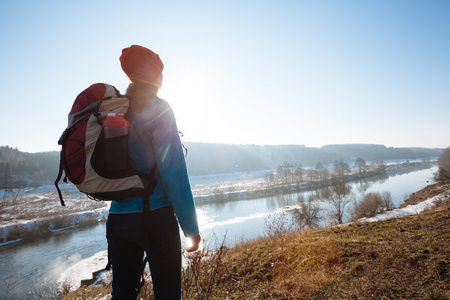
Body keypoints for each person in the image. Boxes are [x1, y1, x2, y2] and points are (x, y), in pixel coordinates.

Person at [106, 45, 201, 299]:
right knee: (168, 294)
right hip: (156, 218)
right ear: (156, 77)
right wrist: (191, 230)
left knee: (122, 295)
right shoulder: (159, 109)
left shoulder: (117, 110)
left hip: (118, 220)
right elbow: (174, 174)